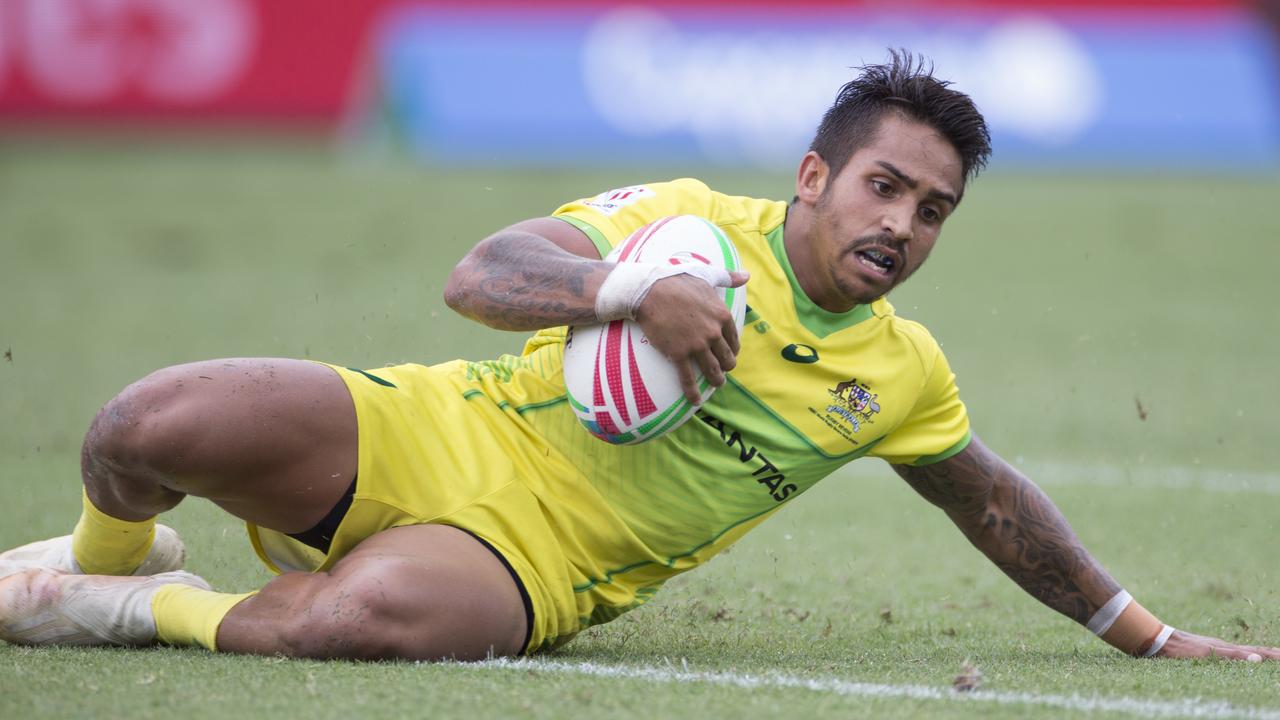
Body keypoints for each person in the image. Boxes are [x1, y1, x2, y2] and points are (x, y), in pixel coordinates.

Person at [0, 51, 1275, 663]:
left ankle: (125, 608)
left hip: (535, 559)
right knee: (139, 425)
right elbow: (478, 275)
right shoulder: (681, 224)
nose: (900, 225)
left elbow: (991, 502)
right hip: (433, 427)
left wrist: (1146, 636)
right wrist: (627, 293)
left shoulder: (897, 373)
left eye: (931, 210)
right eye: (883, 187)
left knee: (357, 623)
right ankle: (106, 550)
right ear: (815, 174)